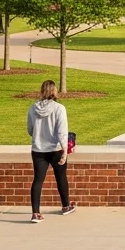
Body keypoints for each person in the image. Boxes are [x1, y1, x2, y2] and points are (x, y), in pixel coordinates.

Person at [27, 80, 75, 223]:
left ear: (42, 91)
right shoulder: (59, 108)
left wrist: (39, 134)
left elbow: (30, 130)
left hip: (38, 149)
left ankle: (35, 213)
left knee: (38, 180)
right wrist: (65, 151)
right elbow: (62, 132)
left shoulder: (32, 108)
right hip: (56, 149)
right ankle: (66, 205)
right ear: (55, 91)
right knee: (61, 177)